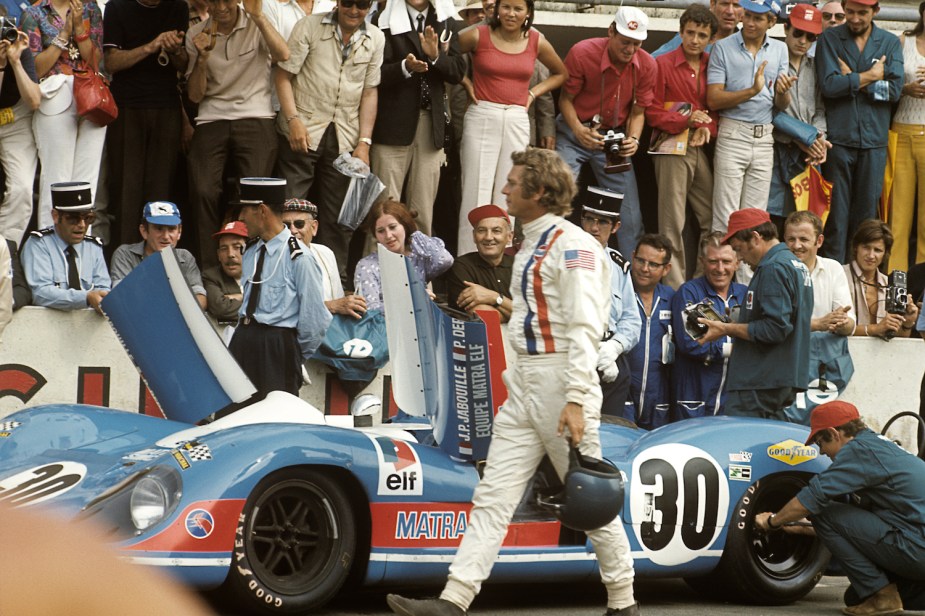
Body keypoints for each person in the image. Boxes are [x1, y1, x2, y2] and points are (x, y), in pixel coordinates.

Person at [386, 147, 639, 616]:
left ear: (539, 192)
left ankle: (623, 602)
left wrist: (579, 398)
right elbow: (524, 318)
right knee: (493, 496)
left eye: (513, 182)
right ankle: (454, 600)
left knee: (590, 496)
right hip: (526, 385)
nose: (504, 189)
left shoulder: (574, 245)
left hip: (562, 380)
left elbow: (586, 325)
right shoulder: (531, 243)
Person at [754, 400, 925, 616]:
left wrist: (772, 521)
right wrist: (799, 527)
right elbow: (858, 529)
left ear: (834, 433)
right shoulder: (879, 445)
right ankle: (885, 595)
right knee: (856, 596)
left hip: (917, 548)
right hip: (915, 539)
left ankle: (884, 597)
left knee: (822, 511)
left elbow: (811, 499)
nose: (822, 452)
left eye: (819, 443)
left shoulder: (857, 452)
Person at [274, 0, 385, 284]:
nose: (354, 10)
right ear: (337, 2)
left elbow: (369, 91)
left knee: (339, 218)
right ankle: (283, 276)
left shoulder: (375, 37)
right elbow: (283, 75)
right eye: (348, 2)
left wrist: (364, 142)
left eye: (362, 4)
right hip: (304, 129)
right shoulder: (309, 26)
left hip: (345, 137)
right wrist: (293, 121)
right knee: (291, 210)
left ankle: (333, 284)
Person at [454, 0, 567, 255]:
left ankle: (501, 267)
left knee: (510, 194)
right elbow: (444, 55)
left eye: (518, 8)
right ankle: (468, 264)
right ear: (496, 8)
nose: (511, 13)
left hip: (517, 116)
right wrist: (466, 83)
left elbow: (561, 73)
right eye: (506, 7)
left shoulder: (536, 39)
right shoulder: (479, 34)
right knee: (475, 192)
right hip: (483, 112)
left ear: (528, 12)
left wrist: (532, 94)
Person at [185, 0, 289, 268]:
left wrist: (258, 17)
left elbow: (283, 54)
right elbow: (196, 95)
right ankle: (209, 267)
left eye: (227, 0)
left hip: (256, 113)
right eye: (214, 0)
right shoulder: (196, 34)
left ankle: (253, 261)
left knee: (256, 194)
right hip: (212, 115)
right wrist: (203, 58)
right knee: (202, 188)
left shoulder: (257, 22)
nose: (221, 6)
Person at [557, 6, 655, 256]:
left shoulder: (647, 64)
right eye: (625, 42)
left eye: (637, 44)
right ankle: (550, 263)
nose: (630, 50)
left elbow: (638, 112)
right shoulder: (582, 52)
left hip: (614, 138)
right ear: (610, 31)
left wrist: (633, 139)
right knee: (558, 195)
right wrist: (578, 130)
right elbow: (565, 100)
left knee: (629, 213)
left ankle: (630, 283)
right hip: (573, 131)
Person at [699, 208, 813, 420]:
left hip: (760, 381)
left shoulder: (773, 268)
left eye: (739, 249)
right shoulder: (797, 265)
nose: (739, 259)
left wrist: (725, 328)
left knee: (742, 448)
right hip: (779, 378)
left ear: (755, 238)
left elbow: (775, 328)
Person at [815, 0, 903, 263]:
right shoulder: (829, 38)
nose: (854, 18)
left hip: (875, 142)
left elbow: (895, 91)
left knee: (866, 222)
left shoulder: (889, 41)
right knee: (836, 220)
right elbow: (829, 85)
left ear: (875, 11)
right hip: (839, 141)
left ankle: (861, 283)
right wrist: (871, 76)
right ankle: (835, 283)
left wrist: (853, 79)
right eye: (850, 12)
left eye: (862, 13)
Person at [369, 0, 466, 236]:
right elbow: (373, 73)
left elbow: (457, 71)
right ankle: (377, 271)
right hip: (391, 125)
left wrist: (435, 58)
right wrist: (405, 66)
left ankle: (419, 271)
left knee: (422, 211)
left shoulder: (446, 20)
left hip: (431, 125)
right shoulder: (381, 19)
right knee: (385, 209)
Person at [229, 177, 332, 396]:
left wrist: (291, 354)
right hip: (243, 341)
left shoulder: (299, 257)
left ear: (262, 211)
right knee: (234, 418)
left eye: (245, 210)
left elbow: (315, 320)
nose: (241, 218)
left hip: (277, 348)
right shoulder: (251, 251)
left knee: (274, 421)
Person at [102, 0, 188, 249]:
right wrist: (152, 46)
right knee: (126, 192)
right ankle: (124, 260)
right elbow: (112, 62)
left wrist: (174, 50)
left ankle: (159, 258)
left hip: (166, 105)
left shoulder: (178, 7)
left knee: (161, 190)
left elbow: (183, 65)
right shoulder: (117, 7)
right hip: (127, 106)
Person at [646, 4, 718, 287]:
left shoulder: (714, 63)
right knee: (671, 221)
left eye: (702, 35)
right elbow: (650, 111)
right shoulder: (662, 63)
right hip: (670, 149)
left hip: (699, 148)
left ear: (711, 38)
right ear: (680, 32)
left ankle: (700, 282)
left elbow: (717, 111)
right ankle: (674, 288)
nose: (695, 40)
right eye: (690, 33)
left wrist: (705, 128)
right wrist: (687, 120)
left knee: (712, 217)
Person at [20, 0, 106, 231]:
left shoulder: (91, 9)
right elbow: (35, 69)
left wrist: (79, 31)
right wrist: (64, 33)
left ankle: (82, 248)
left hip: (91, 94)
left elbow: (97, 61)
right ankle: (49, 244)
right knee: (56, 178)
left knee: (87, 179)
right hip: (55, 92)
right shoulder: (34, 13)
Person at [707, 0, 792, 228]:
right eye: (748, 15)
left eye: (758, 18)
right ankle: (725, 265)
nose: (749, 22)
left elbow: (781, 103)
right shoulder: (722, 47)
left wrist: (783, 92)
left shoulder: (780, 48)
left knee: (755, 220)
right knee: (725, 219)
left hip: (764, 137)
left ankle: (746, 266)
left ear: (771, 22)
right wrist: (752, 91)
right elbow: (713, 99)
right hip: (732, 132)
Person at [671, 232, 747, 419]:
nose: (720, 269)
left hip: (733, 396)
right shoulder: (690, 292)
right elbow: (692, 343)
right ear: (702, 261)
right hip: (695, 392)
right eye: (713, 261)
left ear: (737, 263)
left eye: (726, 261)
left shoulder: (745, 294)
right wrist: (739, 348)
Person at [767, 3, 831, 226]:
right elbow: (767, 111)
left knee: (806, 220)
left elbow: (820, 109)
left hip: (808, 155)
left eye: (811, 36)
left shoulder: (815, 66)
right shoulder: (771, 61)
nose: (803, 41)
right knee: (773, 217)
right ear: (786, 29)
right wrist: (806, 137)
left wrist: (819, 139)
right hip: (778, 148)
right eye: (798, 33)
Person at [579, 187, 640, 419]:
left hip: (612, 360)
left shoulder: (618, 265)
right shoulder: (564, 259)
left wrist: (614, 347)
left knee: (610, 433)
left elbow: (632, 319)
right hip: (576, 357)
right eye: (590, 219)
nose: (594, 228)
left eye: (603, 222)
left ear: (616, 227)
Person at [21, 182, 111, 314]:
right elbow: (40, 293)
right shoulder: (39, 243)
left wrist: (97, 297)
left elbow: (103, 289)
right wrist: (85, 298)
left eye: (88, 218)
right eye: (73, 218)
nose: (81, 225)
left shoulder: (93, 247)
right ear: (56, 216)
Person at [354, 199, 453, 312]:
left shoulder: (418, 257)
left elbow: (445, 260)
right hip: (383, 328)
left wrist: (415, 234)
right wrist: (412, 301)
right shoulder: (367, 265)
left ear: (405, 225)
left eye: (392, 227)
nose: (388, 235)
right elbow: (370, 310)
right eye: (381, 231)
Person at [110, 201, 208, 311]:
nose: (166, 236)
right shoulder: (125, 254)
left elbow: (200, 299)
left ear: (179, 232)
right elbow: (123, 299)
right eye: (159, 228)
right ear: (144, 231)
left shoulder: (185, 257)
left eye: (171, 229)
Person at [887, 1, 925, 271]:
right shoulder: (904, 41)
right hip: (901, 129)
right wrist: (904, 88)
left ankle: (923, 290)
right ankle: (893, 280)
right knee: (897, 216)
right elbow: (883, 86)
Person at [282, 198, 368, 317]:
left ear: (314, 228)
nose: (292, 230)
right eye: (285, 226)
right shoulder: (274, 259)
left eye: (299, 224)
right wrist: (333, 306)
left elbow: (338, 298)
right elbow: (283, 310)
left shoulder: (325, 253)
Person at [626, 234, 674, 429]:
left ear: (666, 269)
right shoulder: (620, 293)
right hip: (625, 393)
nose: (645, 269)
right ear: (632, 257)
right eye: (640, 261)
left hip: (659, 397)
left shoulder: (673, 299)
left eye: (653, 264)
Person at [784, 210, 855, 336]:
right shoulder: (777, 270)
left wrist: (842, 323)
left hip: (825, 352)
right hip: (788, 352)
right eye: (791, 239)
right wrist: (819, 324)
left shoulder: (833, 268)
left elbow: (850, 324)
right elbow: (776, 325)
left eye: (803, 239)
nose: (796, 246)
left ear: (819, 241)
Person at [845, 219, 919, 339]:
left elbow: (897, 339)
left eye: (877, 250)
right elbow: (835, 327)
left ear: (885, 254)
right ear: (855, 248)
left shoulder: (889, 283)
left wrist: (907, 323)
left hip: (881, 356)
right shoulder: (840, 275)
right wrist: (876, 329)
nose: (871, 255)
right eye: (866, 247)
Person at [0, 25, 40, 248]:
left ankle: (5, 255)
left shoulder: (18, 48)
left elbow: (34, 101)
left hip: (15, 117)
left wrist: (14, 62)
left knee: (22, 189)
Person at [444, 203, 514, 320]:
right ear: (474, 236)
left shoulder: (521, 267)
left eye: (496, 231)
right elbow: (480, 314)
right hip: (478, 337)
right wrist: (513, 310)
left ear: (509, 237)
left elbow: (538, 314)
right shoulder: (462, 266)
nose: (488, 237)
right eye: (481, 231)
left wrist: (494, 297)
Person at [651, 0, 742, 58]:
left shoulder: (747, 45)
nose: (730, 11)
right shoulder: (686, 38)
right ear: (712, 4)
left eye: (736, 5)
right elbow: (650, 64)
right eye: (724, 4)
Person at [203, 220, 248, 322]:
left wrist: (242, 297)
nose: (230, 254)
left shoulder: (264, 274)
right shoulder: (211, 276)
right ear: (218, 254)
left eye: (237, 247)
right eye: (224, 248)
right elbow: (220, 308)